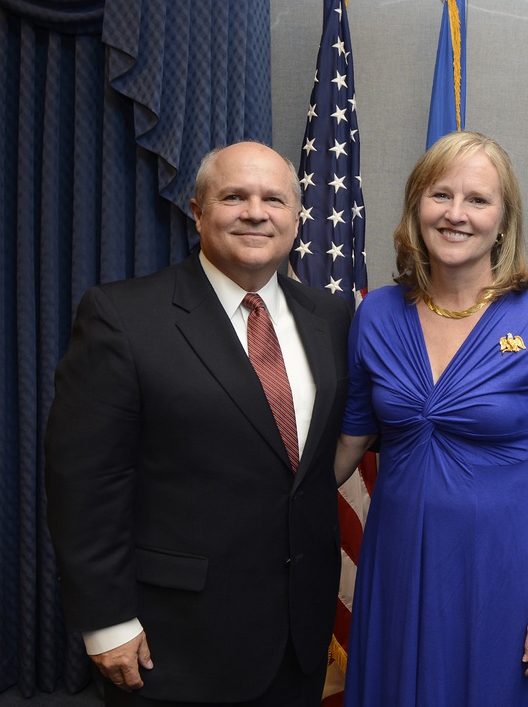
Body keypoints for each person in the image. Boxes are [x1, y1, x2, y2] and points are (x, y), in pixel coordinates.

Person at [44, 141, 352, 706]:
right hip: (176, 642)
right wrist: (106, 621)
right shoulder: (123, 317)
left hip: (299, 635)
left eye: (273, 199)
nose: (255, 212)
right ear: (198, 212)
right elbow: (84, 482)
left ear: (296, 216)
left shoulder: (329, 317)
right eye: (234, 196)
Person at [334, 131, 528, 707]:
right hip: (398, 562)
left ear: (503, 221)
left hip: (505, 569)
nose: (456, 214)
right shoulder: (375, 312)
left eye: (477, 200)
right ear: (416, 208)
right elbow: (349, 442)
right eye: (439, 195)